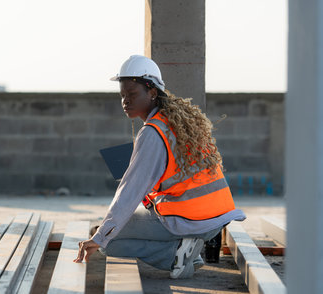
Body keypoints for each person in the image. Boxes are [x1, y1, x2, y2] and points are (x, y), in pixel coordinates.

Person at [73, 55, 245, 279]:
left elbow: (129, 192)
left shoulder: (153, 133)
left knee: (107, 242)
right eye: (122, 95)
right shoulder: (177, 123)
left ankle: (174, 256)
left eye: (132, 94)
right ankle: (188, 251)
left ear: (152, 92)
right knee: (110, 229)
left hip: (189, 220)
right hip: (215, 220)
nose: (126, 101)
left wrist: (100, 237)